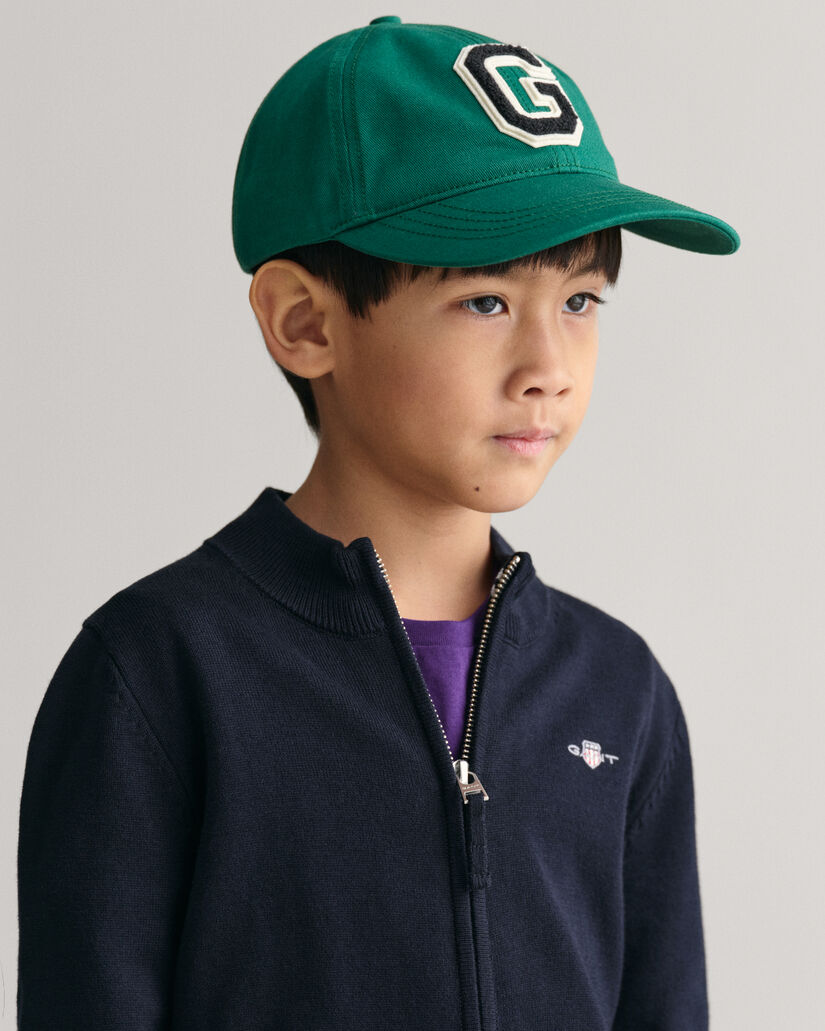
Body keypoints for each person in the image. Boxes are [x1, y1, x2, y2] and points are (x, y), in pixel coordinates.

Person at [17, 15, 739, 1031]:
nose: (549, 366)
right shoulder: (158, 674)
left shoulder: (618, 687)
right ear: (305, 322)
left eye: (580, 300)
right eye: (485, 301)